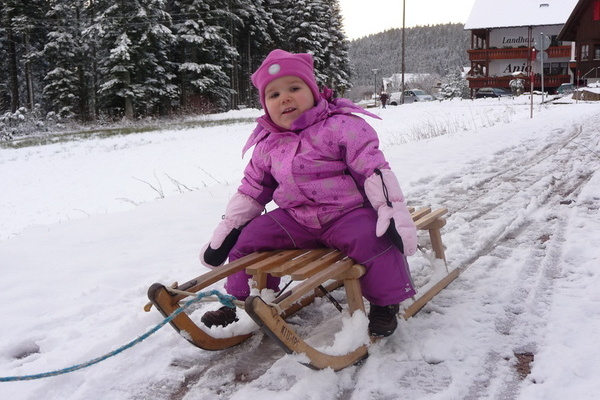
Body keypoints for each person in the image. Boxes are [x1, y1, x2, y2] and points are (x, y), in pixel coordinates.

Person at [200, 49, 417, 337]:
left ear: (314, 91)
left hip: (346, 213)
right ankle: (240, 300)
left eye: (294, 88)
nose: (285, 98)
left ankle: (385, 304)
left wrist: (390, 209)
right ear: (265, 105)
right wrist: (230, 227)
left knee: (375, 238)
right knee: (247, 238)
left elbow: (372, 169)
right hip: (296, 219)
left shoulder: (341, 126)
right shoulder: (267, 144)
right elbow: (252, 190)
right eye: (274, 95)